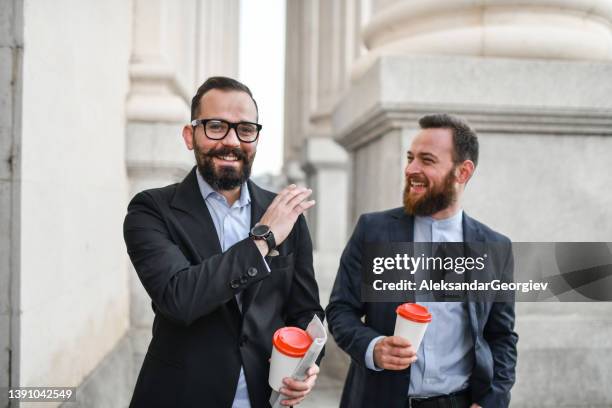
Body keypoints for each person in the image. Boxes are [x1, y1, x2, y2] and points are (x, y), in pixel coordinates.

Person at [123, 76, 324, 408]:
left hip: (265, 398)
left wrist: (309, 363)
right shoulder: (151, 210)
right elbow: (179, 297)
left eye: (245, 129)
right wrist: (263, 240)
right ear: (190, 136)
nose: (232, 141)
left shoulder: (287, 215)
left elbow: (305, 311)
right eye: (216, 126)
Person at [326, 113, 518, 408]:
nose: (411, 169)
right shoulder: (373, 230)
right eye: (410, 157)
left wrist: (493, 400)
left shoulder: (495, 247)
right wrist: (373, 348)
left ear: (462, 172)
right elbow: (340, 311)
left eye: (426, 160)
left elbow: (502, 337)